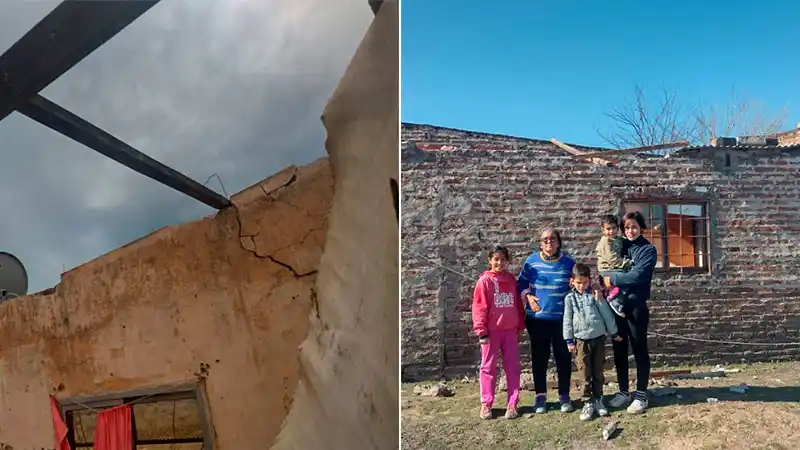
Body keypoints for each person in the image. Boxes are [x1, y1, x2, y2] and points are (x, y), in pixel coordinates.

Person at [603, 211, 658, 414]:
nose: (630, 231)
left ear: (641, 227)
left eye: (634, 227)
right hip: (616, 306)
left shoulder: (647, 250)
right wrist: (605, 277)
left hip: (636, 307)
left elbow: (639, 275)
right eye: (626, 227)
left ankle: (641, 394)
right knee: (619, 349)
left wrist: (614, 279)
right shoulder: (620, 246)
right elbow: (606, 266)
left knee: (639, 349)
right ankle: (623, 391)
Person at [517, 228, 575, 414]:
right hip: (537, 320)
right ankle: (540, 397)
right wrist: (528, 296)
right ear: (540, 243)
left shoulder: (568, 263)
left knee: (563, 358)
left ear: (559, 242)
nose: (549, 242)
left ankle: (564, 396)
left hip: (561, 320)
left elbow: (577, 285)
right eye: (545, 239)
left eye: (552, 239)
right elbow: (520, 284)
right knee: (539, 359)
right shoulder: (531, 262)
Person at [563, 263, 623, 421]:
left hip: (598, 338)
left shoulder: (595, 295)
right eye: (578, 282)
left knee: (598, 370)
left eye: (584, 282)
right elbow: (567, 320)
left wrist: (614, 331)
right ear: (572, 282)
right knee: (584, 371)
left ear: (589, 280)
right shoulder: (569, 299)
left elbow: (606, 314)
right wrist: (569, 340)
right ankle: (587, 401)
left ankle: (598, 399)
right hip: (580, 340)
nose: (581, 286)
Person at [472, 245, 525, 420]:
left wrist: (519, 326)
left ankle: (512, 404)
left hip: (509, 331)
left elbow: (517, 304)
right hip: (491, 332)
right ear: (490, 260)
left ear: (507, 261)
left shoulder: (511, 280)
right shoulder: (484, 282)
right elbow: (479, 307)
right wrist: (482, 332)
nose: (499, 263)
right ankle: (486, 404)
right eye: (496, 259)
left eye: (503, 259)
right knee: (488, 368)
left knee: (512, 368)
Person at [595, 214, 632, 317]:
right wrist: (626, 263)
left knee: (628, 280)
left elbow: (624, 241)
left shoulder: (618, 239)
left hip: (614, 268)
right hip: (606, 269)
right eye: (608, 229)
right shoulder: (605, 242)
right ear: (603, 230)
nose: (611, 231)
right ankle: (614, 301)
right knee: (626, 278)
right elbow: (611, 258)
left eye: (614, 228)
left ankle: (614, 294)